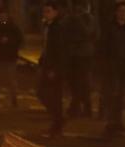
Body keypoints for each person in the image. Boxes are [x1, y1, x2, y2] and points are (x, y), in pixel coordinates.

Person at [99, 1, 125, 137]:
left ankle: (118, 121)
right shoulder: (110, 27)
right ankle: (110, 121)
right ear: (116, 12)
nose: (122, 13)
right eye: (120, 11)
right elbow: (104, 45)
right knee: (111, 93)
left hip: (124, 66)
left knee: (121, 94)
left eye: (124, 11)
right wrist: (105, 61)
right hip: (111, 65)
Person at [39, 0, 70, 137]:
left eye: (48, 11)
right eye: (44, 11)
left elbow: (60, 51)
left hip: (55, 67)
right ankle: (58, 120)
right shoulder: (48, 26)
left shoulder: (57, 28)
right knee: (43, 93)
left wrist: (55, 69)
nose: (46, 14)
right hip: (47, 64)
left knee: (53, 95)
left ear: (55, 13)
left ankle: (57, 123)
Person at [65, 1, 97, 118]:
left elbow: (88, 33)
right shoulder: (70, 18)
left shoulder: (89, 19)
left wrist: (79, 20)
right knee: (73, 82)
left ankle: (82, 107)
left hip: (84, 55)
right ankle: (77, 106)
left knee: (83, 82)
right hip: (73, 54)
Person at [0, 7, 23, 109]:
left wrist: (8, 41)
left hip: (10, 57)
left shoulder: (13, 27)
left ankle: (14, 100)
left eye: (4, 16)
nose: (2, 18)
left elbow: (19, 40)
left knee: (11, 81)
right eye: (0, 16)